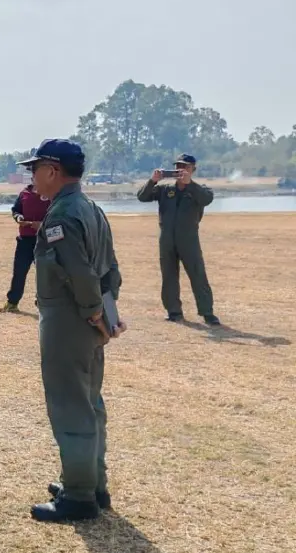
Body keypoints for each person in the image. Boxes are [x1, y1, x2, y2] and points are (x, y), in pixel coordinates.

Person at [17, 140, 124, 523]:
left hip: (68, 320)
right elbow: (110, 269)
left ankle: (79, 496)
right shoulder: (90, 208)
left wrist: (94, 312)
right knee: (90, 402)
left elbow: (79, 273)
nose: (32, 178)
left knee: (70, 406)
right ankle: (93, 484)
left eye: (35, 170)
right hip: (88, 321)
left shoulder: (62, 214)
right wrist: (106, 314)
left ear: (52, 170)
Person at [136, 154, 220, 325]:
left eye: (185, 166)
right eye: (178, 166)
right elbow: (142, 197)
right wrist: (152, 181)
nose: (181, 169)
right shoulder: (165, 190)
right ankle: (173, 311)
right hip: (167, 239)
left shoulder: (199, 190)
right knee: (169, 276)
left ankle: (207, 312)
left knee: (197, 275)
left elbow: (207, 199)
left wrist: (190, 184)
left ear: (193, 169)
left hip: (188, 239)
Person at [0, 180, 50, 313]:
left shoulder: (50, 193)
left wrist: (42, 225)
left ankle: (42, 303)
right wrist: (19, 217)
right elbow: (16, 210)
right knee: (19, 272)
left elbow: (57, 215)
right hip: (25, 240)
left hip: (44, 240)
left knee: (44, 274)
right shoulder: (24, 193)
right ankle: (12, 302)